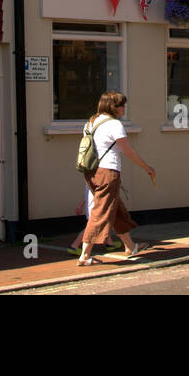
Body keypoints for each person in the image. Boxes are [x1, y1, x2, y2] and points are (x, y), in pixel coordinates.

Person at [77, 91, 156, 266]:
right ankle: (85, 255)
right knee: (101, 212)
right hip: (108, 172)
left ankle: (130, 247)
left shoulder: (91, 122)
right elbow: (129, 151)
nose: (123, 108)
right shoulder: (114, 125)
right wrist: (147, 168)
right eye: (121, 105)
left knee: (115, 208)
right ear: (112, 107)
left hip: (91, 172)